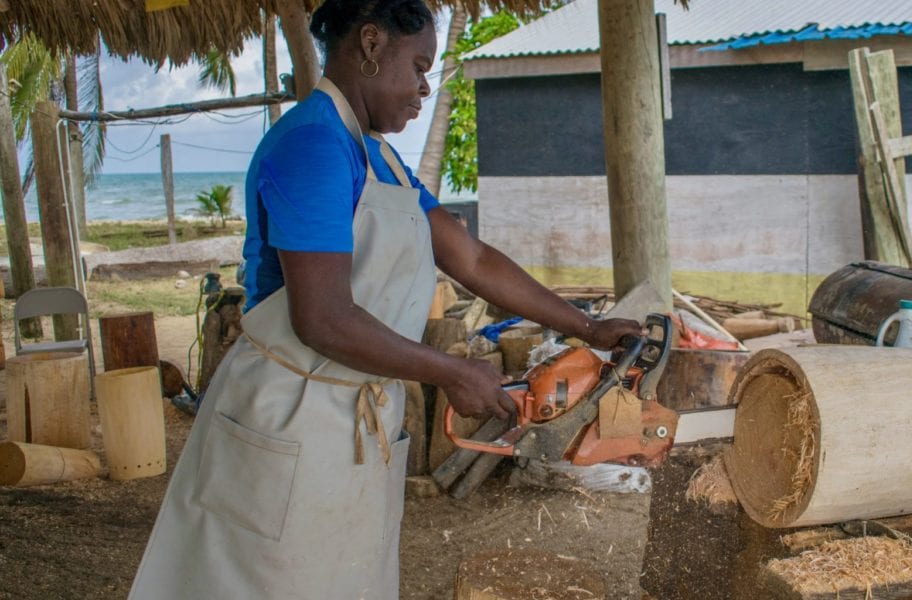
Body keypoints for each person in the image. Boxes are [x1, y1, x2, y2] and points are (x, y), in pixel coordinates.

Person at [128, 1, 642, 597]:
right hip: (290, 412)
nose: (425, 88)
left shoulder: (380, 157)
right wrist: (449, 370)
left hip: (350, 415)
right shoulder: (313, 144)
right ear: (371, 44)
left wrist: (587, 325)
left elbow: (471, 259)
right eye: (419, 66)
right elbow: (322, 318)